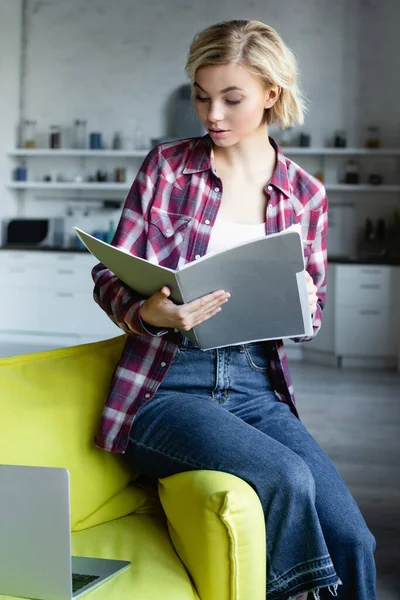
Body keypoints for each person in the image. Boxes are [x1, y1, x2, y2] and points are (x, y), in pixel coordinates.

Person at [92, 19, 377, 600]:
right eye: (202, 96)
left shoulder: (305, 196)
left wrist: (290, 307)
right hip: (165, 387)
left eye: (231, 98)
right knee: (285, 478)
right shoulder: (167, 168)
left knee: (355, 542)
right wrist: (149, 313)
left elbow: (313, 309)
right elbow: (108, 275)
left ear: (271, 93)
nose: (212, 114)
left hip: (255, 388)